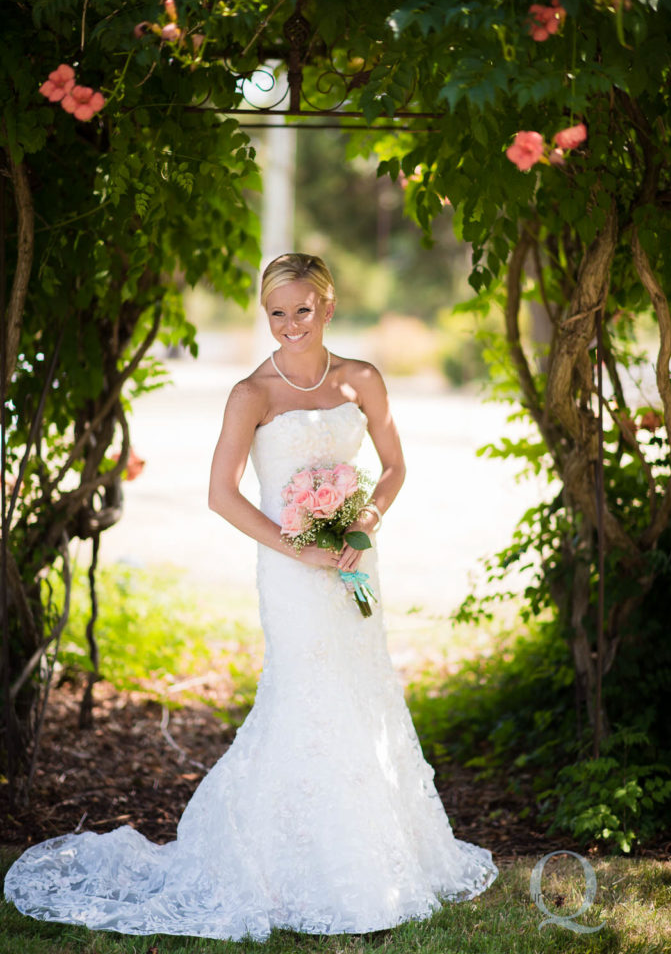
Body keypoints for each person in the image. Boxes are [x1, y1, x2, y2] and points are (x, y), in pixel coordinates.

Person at [4, 253, 497, 940]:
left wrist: (366, 521)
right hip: (292, 570)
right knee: (305, 694)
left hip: (355, 561)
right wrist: (297, 547)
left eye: (302, 309)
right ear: (265, 316)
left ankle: (378, 852)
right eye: (276, 313)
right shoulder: (250, 394)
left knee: (363, 689)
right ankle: (298, 861)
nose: (290, 324)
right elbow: (221, 494)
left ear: (327, 305)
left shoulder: (362, 380)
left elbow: (393, 466)